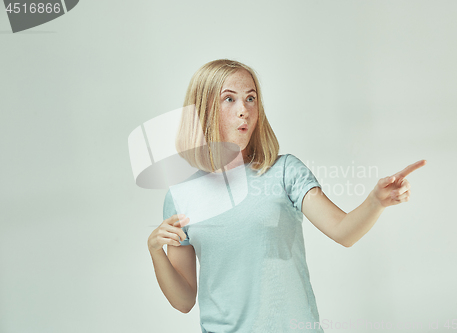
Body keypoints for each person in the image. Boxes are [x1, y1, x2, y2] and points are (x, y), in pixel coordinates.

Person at [147, 59, 427, 332]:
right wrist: (156, 252)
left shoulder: (284, 172)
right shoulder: (181, 196)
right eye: (229, 99)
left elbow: (344, 232)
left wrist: (375, 202)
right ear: (204, 109)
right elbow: (183, 301)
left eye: (251, 98)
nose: (244, 110)